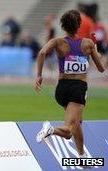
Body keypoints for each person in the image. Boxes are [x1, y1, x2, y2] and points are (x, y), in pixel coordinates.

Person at [34, 10, 105, 158]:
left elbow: (41, 53)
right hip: (77, 90)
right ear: (79, 25)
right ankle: (50, 130)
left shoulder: (57, 42)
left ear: (63, 26)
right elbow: (101, 68)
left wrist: (39, 76)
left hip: (61, 89)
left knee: (77, 121)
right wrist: (95, 53)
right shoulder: (88, 43)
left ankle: (82, 157)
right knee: (68, 131)